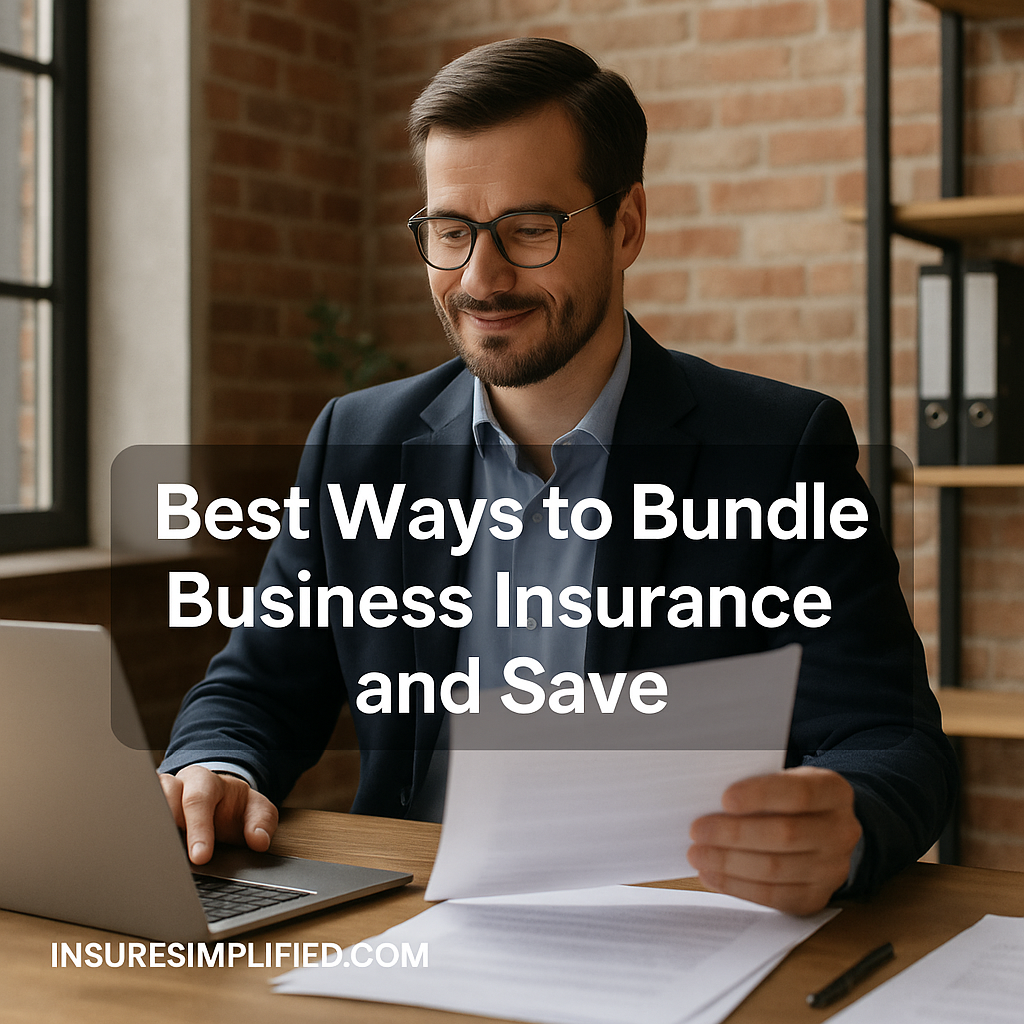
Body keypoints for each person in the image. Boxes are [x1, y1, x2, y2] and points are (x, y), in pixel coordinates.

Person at [159, 37, 957, 915]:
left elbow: (890, 738)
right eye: (451, 231)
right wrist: (215, 765)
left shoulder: (779, 449)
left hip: (670, 924)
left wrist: (848, 818)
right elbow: (256, 688)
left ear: (627, 227)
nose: (481, 277)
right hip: (405, 925)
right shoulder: (362, 442)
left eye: (530, 230)